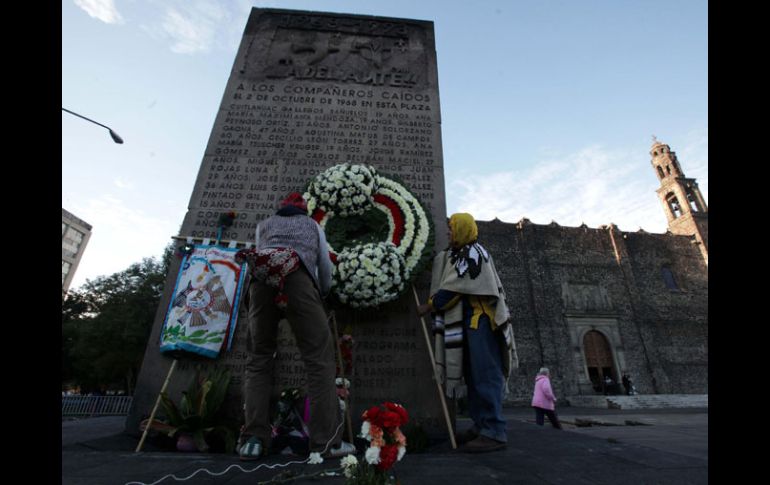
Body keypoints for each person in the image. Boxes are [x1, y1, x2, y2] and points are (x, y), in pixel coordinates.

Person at [236, 192, 354, 461]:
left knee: (258, 359)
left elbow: (260, 256)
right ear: (305, 210)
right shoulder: (312, 226)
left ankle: (252, 440)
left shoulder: (264, 225)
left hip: (260, 285)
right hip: (297, 278)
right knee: (318, 360)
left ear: (281, 209)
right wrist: (321, 293)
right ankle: (325, 443)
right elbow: (324, 266)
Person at [417, 213, 517, 453]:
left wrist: (428, 306)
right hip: (470, 324)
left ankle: (494, 430)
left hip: (482, 323)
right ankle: (480, 425)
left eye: (452, 229)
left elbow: (453, 290)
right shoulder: (460, 254)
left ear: (462, 230)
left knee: (485, 375)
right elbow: (444, 264)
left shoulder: (474, 254)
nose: (449, 233)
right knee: (473, 376)